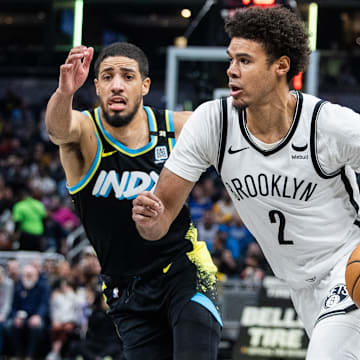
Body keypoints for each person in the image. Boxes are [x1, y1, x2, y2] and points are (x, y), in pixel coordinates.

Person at [132, 6, 360, 359]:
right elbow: (161, 219)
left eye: (244, 61)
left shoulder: (327, 126)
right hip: (299, 286)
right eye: (230, 59)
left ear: (280, 66)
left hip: (347, 264)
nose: (231, 70)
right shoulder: (213, 122)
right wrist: (150, 220)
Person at [45, 42, 222, 360]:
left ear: (145, 85)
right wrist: (64, 92)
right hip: (125, 287)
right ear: (96, 85)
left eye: (127, 76)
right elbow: (58, 130)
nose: (116, 84)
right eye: (107, 76)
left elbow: (234, 130)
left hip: (184, 267)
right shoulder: (85, 132)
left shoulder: (176, 127)